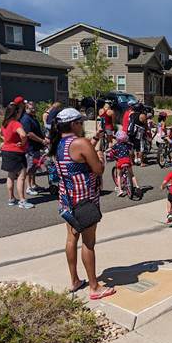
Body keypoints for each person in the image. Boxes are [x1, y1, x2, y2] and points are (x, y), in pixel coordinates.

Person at [49, 107, 115, 300]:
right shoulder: (81, 143)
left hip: (67, 199)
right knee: (89, 242)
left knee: (71, 238)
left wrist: (94, 140)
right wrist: (101, 157)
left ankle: (75, 280)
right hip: (84, 199)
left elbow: (76, 158)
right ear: (74, 124)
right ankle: (94, 287)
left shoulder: (58, 143)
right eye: (81, 122)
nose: (82, 125)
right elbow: (98, 169)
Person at [0, 103, 34, 208]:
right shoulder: (15, 123)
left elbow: (0, 133)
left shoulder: (5, 123)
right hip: (16, 152)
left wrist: (6, 140)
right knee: (21, 176)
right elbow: (23, 134)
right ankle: (22, 200)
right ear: (16, 113)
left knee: (11, 175)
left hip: (6, 150)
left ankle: (11, 198)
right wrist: (23, 143)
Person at [20, 101, 48, 195]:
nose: (34, 109)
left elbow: (37, 131)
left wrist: (44, 139)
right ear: (26, 108)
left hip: (36, 147)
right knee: (30, 167)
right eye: (31, 108)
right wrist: (41, 140)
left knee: (34, 167)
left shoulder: (32, 118)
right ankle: (28, 187)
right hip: (30, 148)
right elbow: (29, 134)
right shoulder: (26, 119)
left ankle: (33, 184)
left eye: (34, 108)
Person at [106, 131, 139, 197]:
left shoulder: (116, 145)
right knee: (132, 175)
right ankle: (137, 186)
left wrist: (106, 152)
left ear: (117, 138)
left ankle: (120, 190)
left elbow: (111, 150)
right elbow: (132, 147)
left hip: (120, 161)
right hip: (127, 161)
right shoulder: (128, 144)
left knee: (119, 175)